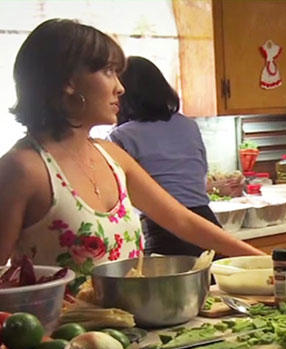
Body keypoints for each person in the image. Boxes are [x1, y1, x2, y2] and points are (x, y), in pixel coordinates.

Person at [0, 19, 262, 287]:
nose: (120, 88)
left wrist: (269, 262)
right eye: (108, 72)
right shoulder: (22, 169)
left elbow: (182, 221)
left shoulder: (112, 155)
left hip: (131, 325)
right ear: (68, 81)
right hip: (62, 329)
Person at [109, 55, 219, 257]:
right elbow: (201, 173)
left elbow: (121, 194)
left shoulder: (122, 135)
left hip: (164, 229)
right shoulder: (188, 124)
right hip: (207, 223)